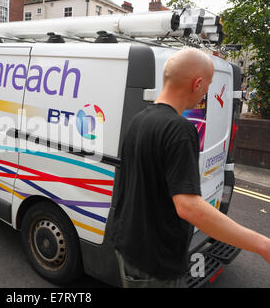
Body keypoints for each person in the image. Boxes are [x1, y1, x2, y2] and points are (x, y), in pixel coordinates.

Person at [111, 47, 270, 288]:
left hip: (129, 248)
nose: (207, 91)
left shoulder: (140, 119)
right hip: (156, 263)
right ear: (197, 84)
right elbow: (188, 207)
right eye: (208, 84)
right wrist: (261, 244)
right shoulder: (179, 129)